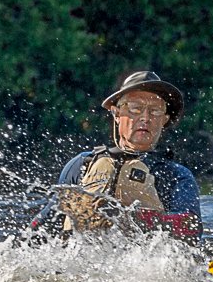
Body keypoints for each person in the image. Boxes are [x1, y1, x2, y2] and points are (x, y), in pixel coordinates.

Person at [33, 70, 202, 242]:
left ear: (164, 120)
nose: (145, 118)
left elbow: (192, 228)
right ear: (117, 113)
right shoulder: (82, 164)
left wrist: (128, 217)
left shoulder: (176, 175)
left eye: (155, 111)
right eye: (135, 108)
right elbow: (43, 225)